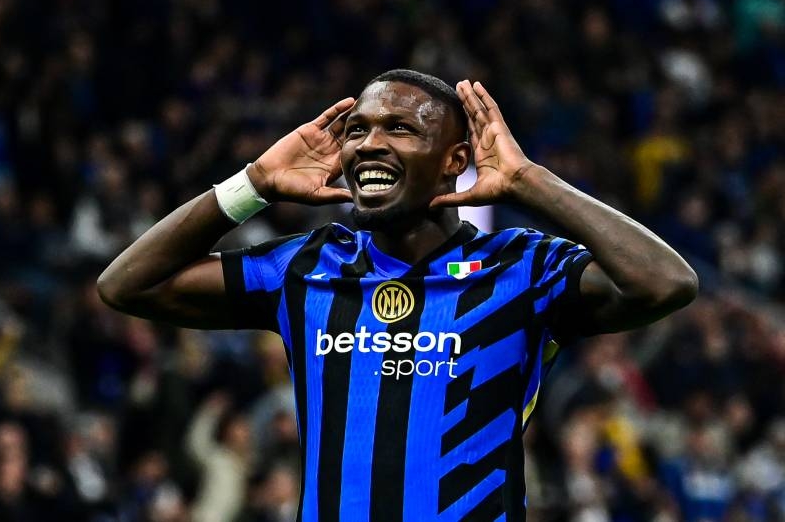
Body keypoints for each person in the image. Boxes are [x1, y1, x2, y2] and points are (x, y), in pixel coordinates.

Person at [97, 69, 698, 521]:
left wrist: (527, 181)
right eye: (357, 130)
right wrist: (251, 184)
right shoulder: (306, 267)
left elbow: (665, 283)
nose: (367, 144)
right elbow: (127, 284)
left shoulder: (521, 266)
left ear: (453, 161)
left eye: (400, 128)